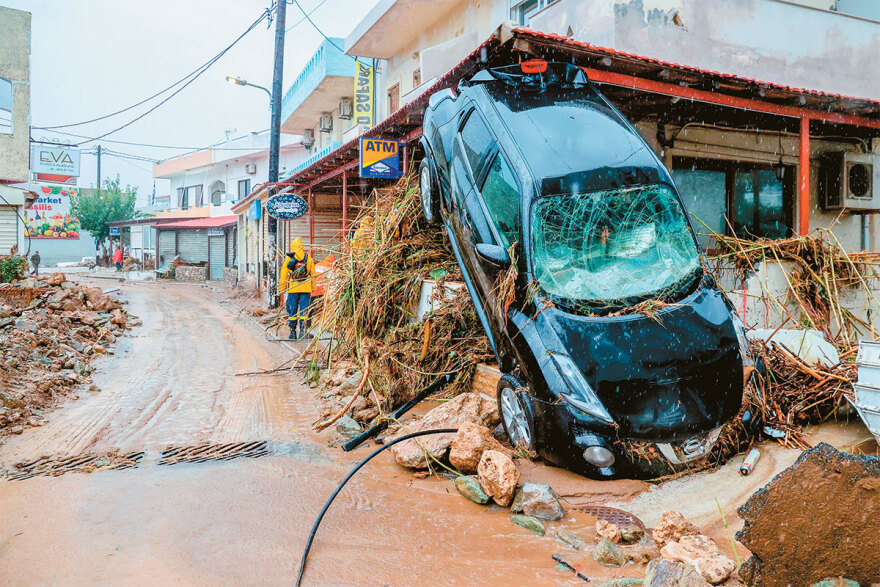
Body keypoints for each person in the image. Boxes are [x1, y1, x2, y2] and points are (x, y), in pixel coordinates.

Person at [279, 237, 315, 340]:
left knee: (293, 310)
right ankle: (303, 332)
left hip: (293, 289)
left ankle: (292, 332)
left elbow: (284, 274)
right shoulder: (308, 258)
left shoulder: (289, 259)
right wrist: (313, 287)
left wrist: (282, 288)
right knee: (304, 310)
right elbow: (313, 274)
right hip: (306, 288)